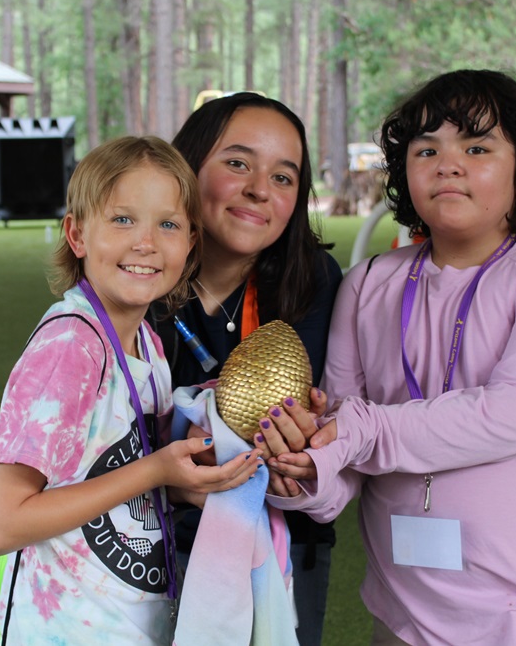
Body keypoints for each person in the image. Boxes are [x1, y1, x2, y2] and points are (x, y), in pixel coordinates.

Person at [267, 70, 516, 645]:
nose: (449, 163)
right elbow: (345, 463)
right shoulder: (367, 284)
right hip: (405, 609)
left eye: (478, 147)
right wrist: (302, 472)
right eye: (427, 149)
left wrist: (356, 427)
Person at [0, 136, 263, 644]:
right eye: (123, 219)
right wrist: (156, 470)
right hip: (61, 631)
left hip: (128, 623)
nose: (145, 242)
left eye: (168, 224)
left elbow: (108, 476)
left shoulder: (148, 343)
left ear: (191, 242)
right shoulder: (70, 348)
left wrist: (184, 481)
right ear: (77, 234)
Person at [148, 92, 343, 646]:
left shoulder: (314, 279)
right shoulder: (140, 269)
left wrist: (304, 445)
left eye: (284, 178)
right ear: (186, 168)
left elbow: (296, 440)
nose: (261, 189)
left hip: (279, 548)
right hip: (141, 538)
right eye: (238, 163)